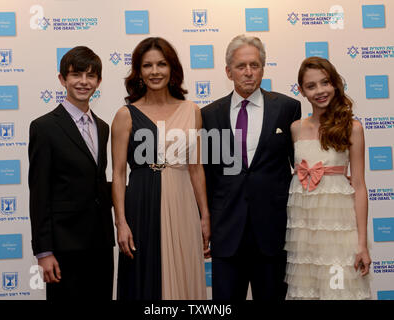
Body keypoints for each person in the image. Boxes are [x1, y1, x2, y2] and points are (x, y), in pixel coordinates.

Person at [201, 34, 301, 300]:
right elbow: (209, 175)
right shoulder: (209, 115)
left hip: (272, 231)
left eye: (254, 65)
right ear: (228, 71)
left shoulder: (288, 108)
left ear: (263, 68)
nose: (248, 72)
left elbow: (300, 165)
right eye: (241, 66)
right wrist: (206, 221)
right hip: (227, 231)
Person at [111, 37, 210, 300]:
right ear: (139, 71)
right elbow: (119, 174)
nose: (155, 71)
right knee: (144, 279)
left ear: (172, 69)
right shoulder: (125, 115)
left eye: (162, 64)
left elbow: (196, 168)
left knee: (185, 272)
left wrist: (205, 216)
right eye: (147, 65)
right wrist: (121, 222)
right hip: (142, 203)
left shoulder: (192, 111)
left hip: (183, 203)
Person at [28, 46, 115, 300]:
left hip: (100, 243)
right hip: (64, 246)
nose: (84, 82)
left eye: (91, 76)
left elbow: (95, 183)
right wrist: (44, 252)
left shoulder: (102, 127)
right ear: (62, 79)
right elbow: (39, 193)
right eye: (76, 75)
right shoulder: (44, 127)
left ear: (99, 81)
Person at [284, 56, 371, 299]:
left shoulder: (352, 128)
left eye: (325, 83)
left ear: (334, 84)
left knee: (338, 291)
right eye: (311, 86)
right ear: (301, 91)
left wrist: (362, 244)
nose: (320, 91)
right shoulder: (295, 128)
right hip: (305, 233)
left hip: (339, 230)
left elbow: (360, 186)